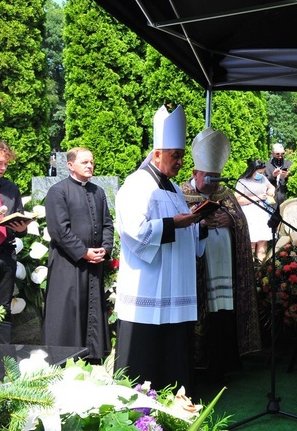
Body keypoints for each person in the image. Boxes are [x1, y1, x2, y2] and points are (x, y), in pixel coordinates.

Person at [113, 105, 206, 395]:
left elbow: (183, 229)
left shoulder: (175, 190)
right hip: (148, 287)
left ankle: (176, 403)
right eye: (174, 156)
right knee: (145, 356)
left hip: (174, 290)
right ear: (156, 154)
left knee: (174, 347)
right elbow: (132, 230)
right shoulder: (136, 184)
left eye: (181, 156)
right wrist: (173, 224)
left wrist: (198, 223)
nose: (179, 162)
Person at [181, 127, 261, 381]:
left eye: (217, 176)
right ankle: (202, 365)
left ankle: (227, 364)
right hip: (201, 269)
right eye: (208, 176)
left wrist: (230, 219)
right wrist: (201, 223)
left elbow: (241, 223)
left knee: (225, 313)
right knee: (207, 314)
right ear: (195, 173)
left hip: (226, 268)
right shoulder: (181, 194)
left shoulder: (225, 195)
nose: (213, 182)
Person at [42, 147, 114, 362]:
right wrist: (83, 252)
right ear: (70, 165)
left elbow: (107, 224)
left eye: (91, 162)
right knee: (68, 311)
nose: (90, 165)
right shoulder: (58, 191)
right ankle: (64, 359)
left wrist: (105, 248)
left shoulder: (98, 192)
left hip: (94, 264)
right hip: (68, 263)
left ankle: (92, 356)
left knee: (91, 309)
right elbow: (58, 230)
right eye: (84, 162)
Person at [0, 139, 33, 343]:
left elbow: (19, 222)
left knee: (2, 312)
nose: (3, 168)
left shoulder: (10, 188)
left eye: (6, 164)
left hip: (5, 254)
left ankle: (0, 370)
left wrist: (22, 228)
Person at [235, 160, 276, 263]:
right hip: (249, 213)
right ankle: (251, 267)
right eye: (259, 173)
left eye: (263, 173)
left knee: (262, 241)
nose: (261, 175)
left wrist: (271, 190)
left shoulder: (263, 179)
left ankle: (262, 268)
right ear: (252, 171)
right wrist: (256, 198)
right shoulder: (242, 182)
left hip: (262, 212)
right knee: (251, 243)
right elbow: (238, 200)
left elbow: (271, 186)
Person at [264, 143, 292, 207]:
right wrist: (273, 176)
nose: (280, 156)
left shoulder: (289, 164)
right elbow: (262, 182)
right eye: (277, 154)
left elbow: (294, 182)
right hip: (271, 201)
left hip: (285, 200)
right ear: (272, 153)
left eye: (282, 154)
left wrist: (287, 177)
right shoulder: (266, 166)